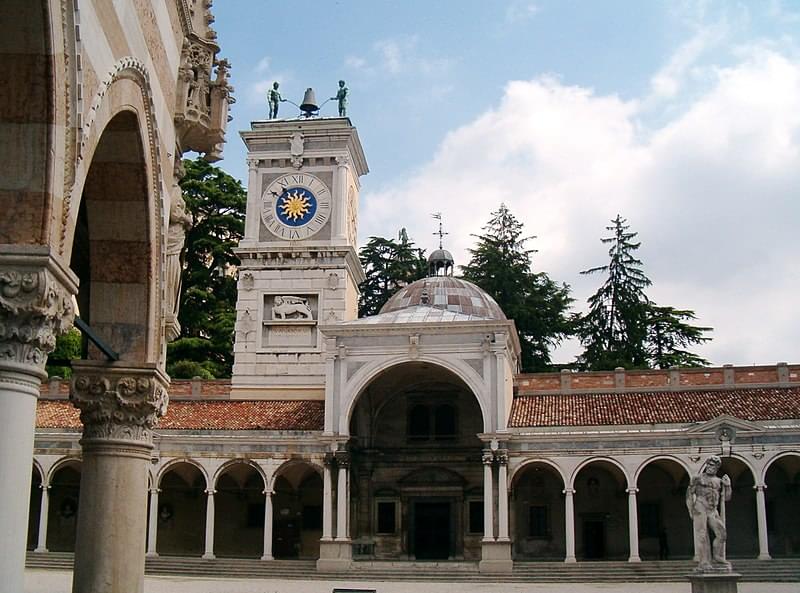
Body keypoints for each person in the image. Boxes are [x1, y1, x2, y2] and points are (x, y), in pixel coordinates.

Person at [686, 455, 732, 570]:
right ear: (706, 465)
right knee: (702, 535)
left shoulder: (719, 481)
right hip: (700, 507)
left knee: (722, 534)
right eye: (710, 464)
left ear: (717, 468)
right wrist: (691, 509)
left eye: (714, 465)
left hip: (712, 510)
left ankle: (717, 556)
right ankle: (704, 562)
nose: (711, 467)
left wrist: (728, 486)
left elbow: (727, 498)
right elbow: (689, 494)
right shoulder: (697, 478)